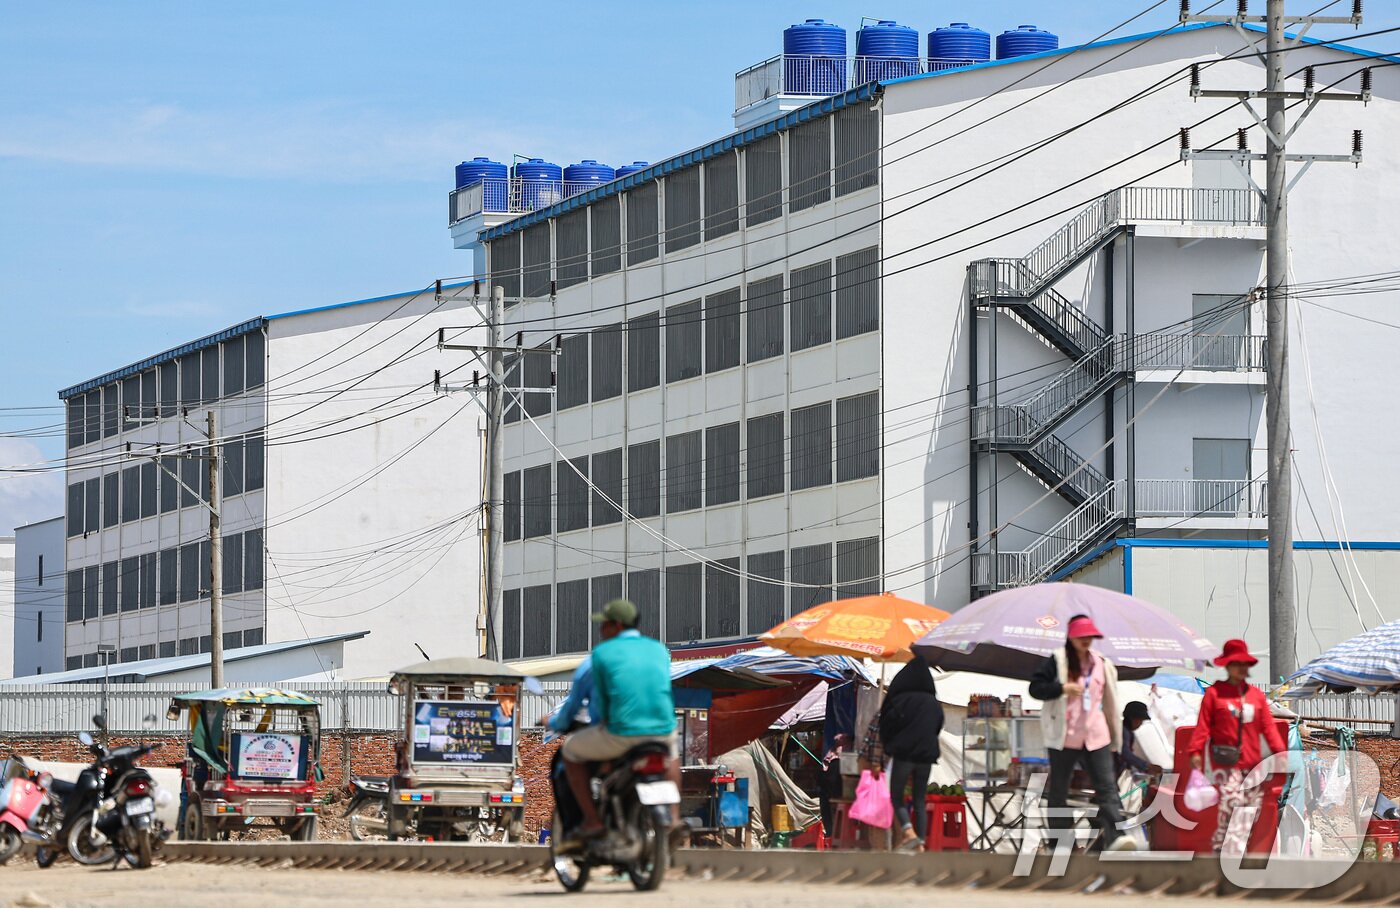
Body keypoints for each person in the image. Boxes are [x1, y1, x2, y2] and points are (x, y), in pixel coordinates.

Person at [561, 598, 678, 840]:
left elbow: (601, 701)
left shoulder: (602, 653)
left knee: (569, 751)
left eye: (604, 625)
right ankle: (674, 818)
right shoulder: (658, 649)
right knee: (672, 753)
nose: (601, 630)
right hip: (663, 730)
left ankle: (592, 821)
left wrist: (565, 724)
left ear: (616, 625)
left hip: (622, 733)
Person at [1028, 614, 1134, 851]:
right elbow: (1036, 688)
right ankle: (1060, 842)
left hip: (1096, 734)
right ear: (1071, 637)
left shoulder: (1102, 663)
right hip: (1065, 734)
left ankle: (1116, 836)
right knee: (1059, 791)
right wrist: (1062, 688)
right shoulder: (1058, 660)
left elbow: (1111, 701)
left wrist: (1116, 737)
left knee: (1107, 787)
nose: (1086, 640)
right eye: (1081, 636)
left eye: (1090, 636)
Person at [1188, 639, 1287, 854]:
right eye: (1236, 663)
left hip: (1253, 766)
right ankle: (1226, 852)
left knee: (1249, 812)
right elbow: (1203, 726)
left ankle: (1233, 852)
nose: (1241, 668)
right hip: (1225, 765)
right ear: (1227, 666)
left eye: (1244, 664)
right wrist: (1194, 751)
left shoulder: (1256, 696)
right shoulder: (1214, 694)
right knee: (1231, 805)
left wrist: (1280, 753)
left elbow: (1268, 729)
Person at [878, 654, 945, 852]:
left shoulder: (898, 700)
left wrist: (890, 746)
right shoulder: (934, 703)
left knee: (896, 796)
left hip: (904, 754)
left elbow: (886, 725)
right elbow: (937, 726)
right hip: (926, 756)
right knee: (919, 799)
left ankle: (908, 831)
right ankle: (920, 843)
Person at [1118, 701, 1163, 778]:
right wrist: (1146, 766)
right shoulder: (1123, 731)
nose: (1140, 723)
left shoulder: (1128, 732)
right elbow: (1125, 753)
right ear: (1132, 718)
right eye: (1140, 720)